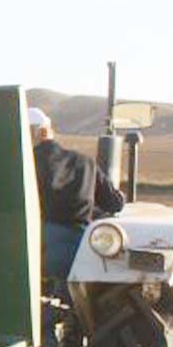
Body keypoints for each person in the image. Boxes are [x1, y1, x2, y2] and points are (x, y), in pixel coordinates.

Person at [29, 107, 125, 280]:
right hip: (79, 250)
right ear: (47, 131)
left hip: (34, 248)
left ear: (38, 133)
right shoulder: (84, 162)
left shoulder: (24, 165)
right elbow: (114, 203)